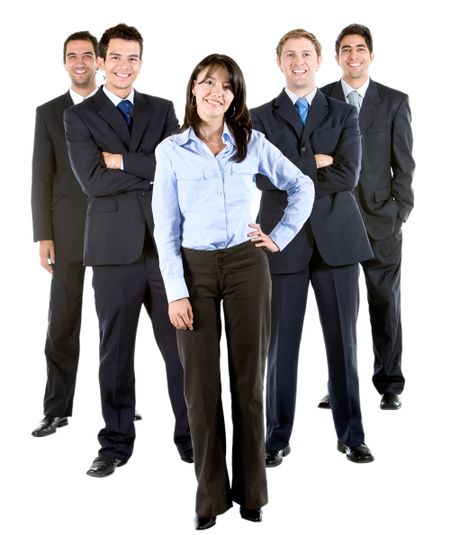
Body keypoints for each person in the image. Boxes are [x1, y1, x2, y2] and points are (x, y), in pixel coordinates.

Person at [152, 53, 314, 530]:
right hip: (194, 271)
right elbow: (165, 229)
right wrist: (175, 291)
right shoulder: (171, 151)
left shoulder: (254, 144)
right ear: (193, 90)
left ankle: (252, 494)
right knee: (200, 389)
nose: (215, 92)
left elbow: (301, 185)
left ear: (235, 95)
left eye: (225, 85)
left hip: (247, 265)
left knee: (248, 385)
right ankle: (209, 499)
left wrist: (277, 236)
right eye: (206, 83)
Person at [64, 23, 191, 477]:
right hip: (113, 251)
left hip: (164, 249)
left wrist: (121, 161)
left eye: (133, 58)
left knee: (181, 348)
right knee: (114, 352)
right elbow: (93, 182)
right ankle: (116, 443)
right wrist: (149, 168)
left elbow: (179, 166)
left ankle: (192, 437)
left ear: (141, 61)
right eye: (115, 57)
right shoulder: (79, 117)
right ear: (100, 62)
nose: (124, 66)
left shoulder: (162, 109)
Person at [250, 28, 375, 466]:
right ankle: (276, 437)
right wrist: (316, 162)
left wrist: (293, 170)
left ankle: (352, 434)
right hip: (282, 242)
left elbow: (348, 175)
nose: (298, 61)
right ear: (279, 62)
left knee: (344, 343)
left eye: (306, 54)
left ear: (319, 61)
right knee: (280, 345)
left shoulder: (343, 114)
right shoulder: (259, 117)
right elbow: (264, 177)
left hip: (338, 242)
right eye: (290, 55)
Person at [319, 23, 415, 411]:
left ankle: (389, 383)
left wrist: (398, 213)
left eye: (360, 49)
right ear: (337, 56)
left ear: (370, 55)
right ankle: (340, 385)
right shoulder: (321, 98)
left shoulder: (394, 101)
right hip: (332, 219)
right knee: (339, 309)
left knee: (384, 304)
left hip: (380, 220)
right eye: (346, 49)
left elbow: (404, 165)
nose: (353, 55)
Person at [31, 31, 101, 438]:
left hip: (116, 227)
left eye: (87, 55)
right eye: (72, 56)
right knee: (62, 323)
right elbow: (41, 178)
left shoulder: (116, 106)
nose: (80, 62)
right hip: (67, 231)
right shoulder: (48, 112)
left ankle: (120, 404)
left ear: (99, 62)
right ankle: (56, 408)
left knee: (119, 324)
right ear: (65, 63)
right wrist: (44, 235)